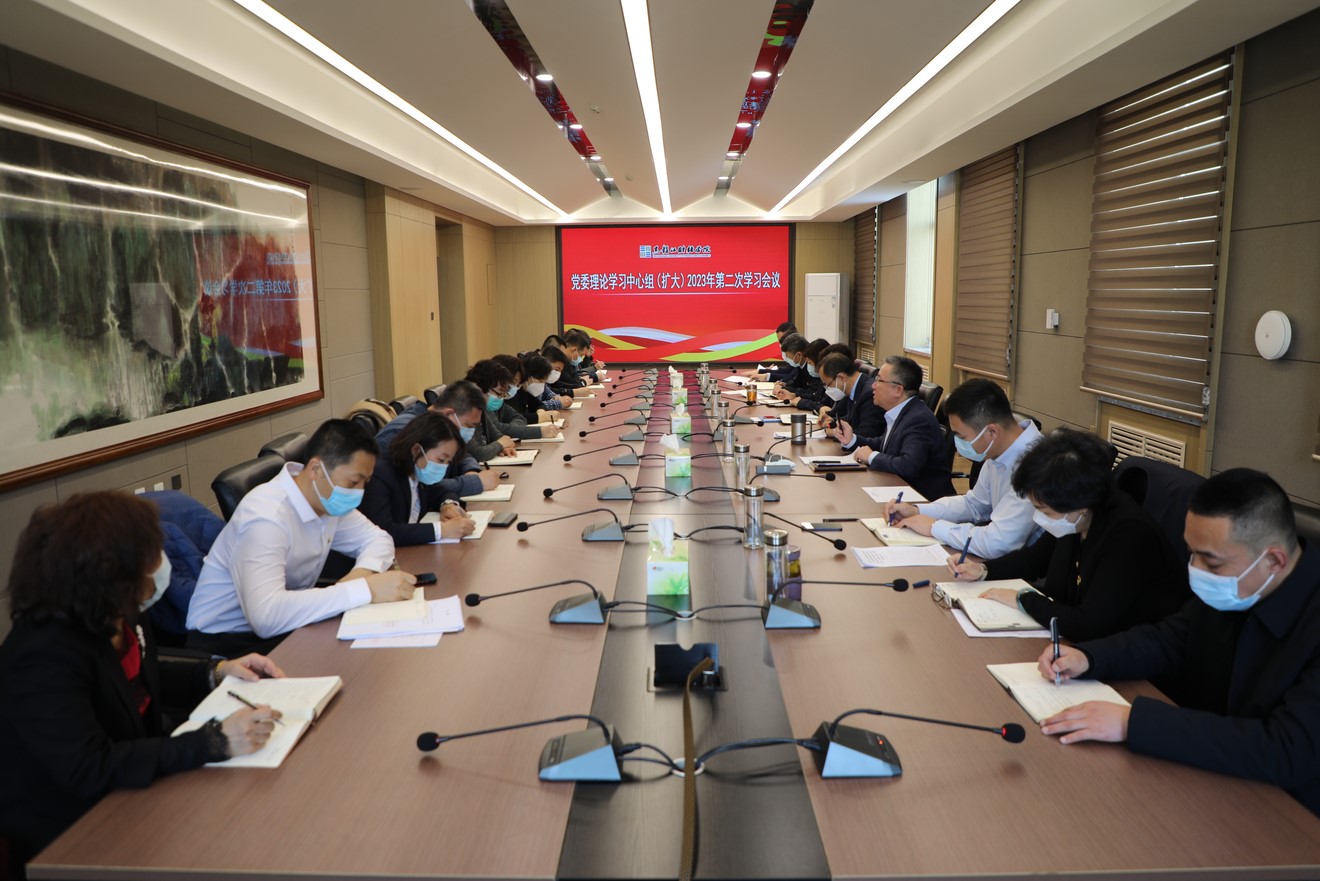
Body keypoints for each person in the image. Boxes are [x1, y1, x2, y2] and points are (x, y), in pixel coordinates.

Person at [0, 492, 284, 874]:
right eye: (150, 554)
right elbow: (90, 768)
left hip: (139, 791)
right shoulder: (42, 656)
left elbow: (140, 674)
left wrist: (216, 673)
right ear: (109, 572)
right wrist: (213, 741)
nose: (161, 563)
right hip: (72, 831)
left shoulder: (120, 613)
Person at [1036, 468, 1320, 817]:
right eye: (1191, 553)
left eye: (1209, 560)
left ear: (1274, 560)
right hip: (1210, 778)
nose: (1195, 570)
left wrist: (1133, 722)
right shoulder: (1238, 584)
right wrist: (1088, 658)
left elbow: (1286, 749)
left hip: (1287, 811)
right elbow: (1168, 639)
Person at [186, 419, 418, 657]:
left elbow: (378, 539)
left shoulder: (326, 500)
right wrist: (363, 590)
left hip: (287, 622)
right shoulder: (266, 516)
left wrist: (360, 576)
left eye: (364, 483)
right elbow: (266, 617)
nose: (359, 492)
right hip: (227, 643)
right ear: (316, 469)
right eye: (353, 482)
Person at [948, 428, 1187, 641]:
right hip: (1072, 639)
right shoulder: (1077, 516)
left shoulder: (1129, 536)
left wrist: (1023, 599)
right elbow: (1035, 559)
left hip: (1125, 651)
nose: (1038, 518)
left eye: (1044, 511)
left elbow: (1087, 624)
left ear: (1079, 505)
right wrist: (984, 570)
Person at [885, 378, 1043, 558]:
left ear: (992, 432)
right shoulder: (999, 449)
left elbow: (999, 542)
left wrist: (934, 527)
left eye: (962, 436)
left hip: (1027, 567)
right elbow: (974, 505)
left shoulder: (1037, 465)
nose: (958, 443)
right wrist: (917, 510)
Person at [836, 355, 953, 502]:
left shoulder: (918, 419)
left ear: (898, 390)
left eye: (879, 380)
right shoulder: (902, 410)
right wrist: (852, 439)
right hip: (897, 490)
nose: (873, 385)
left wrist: (871, 457)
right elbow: (885, 443)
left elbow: (908, 465)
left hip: (922, 501)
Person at [361, 413, 475, 545]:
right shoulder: (380, 474)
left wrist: (448, 505)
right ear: (416, 450)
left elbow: (441, 492)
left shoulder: (417, 471)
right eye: (441, 459)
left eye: (448, 462)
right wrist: (442, 530)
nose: (443, 466)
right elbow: (384, 530)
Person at [377, 381, 501, 498]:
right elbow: (418, 487)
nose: (471, 431)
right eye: (468, 425)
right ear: (448, 414)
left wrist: (471, 470)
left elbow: (461, 456)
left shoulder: (434, 425)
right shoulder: (403, 433)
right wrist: (474, 483)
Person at [490, 353, 560, 441]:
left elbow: (519, 417)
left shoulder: (499, 399)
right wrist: (540, 431)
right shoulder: (480, 401)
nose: (514, 387)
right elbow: (498, 428)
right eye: (513, 382)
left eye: (518, 384)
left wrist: (513, 430)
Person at [817, 350, 885, 439]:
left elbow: (867, 433)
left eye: (828, 385)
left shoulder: (869, 394)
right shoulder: (854, 388)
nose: (827, 389)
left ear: (841, 377)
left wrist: (835, 433)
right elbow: (852, 419)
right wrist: (834, 421)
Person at [462, 359, 518, 462]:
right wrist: (500, 445)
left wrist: (502, 447)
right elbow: (477, 454)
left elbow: (497, 436)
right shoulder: (460, 411)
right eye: (499, 393)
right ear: (480, 387)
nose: (500, 398)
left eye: (503, 394)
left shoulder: (478, 407)